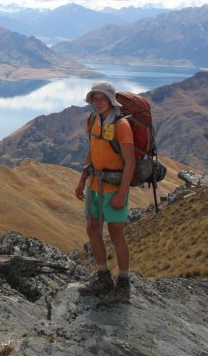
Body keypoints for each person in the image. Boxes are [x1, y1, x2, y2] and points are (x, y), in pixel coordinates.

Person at [74, 81, 135, 304]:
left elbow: (130, 163)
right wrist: (82, 180)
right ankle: (103, 277)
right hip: (94, 184)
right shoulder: (91, 120)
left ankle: (124, 284)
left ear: (111, 100)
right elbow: (92, 149)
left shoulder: (121, 125)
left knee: (116, 233)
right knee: (92, 229)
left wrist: (121, 194)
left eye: (102, 98)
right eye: (94, 98)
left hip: (114, 186)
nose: (98, 102)